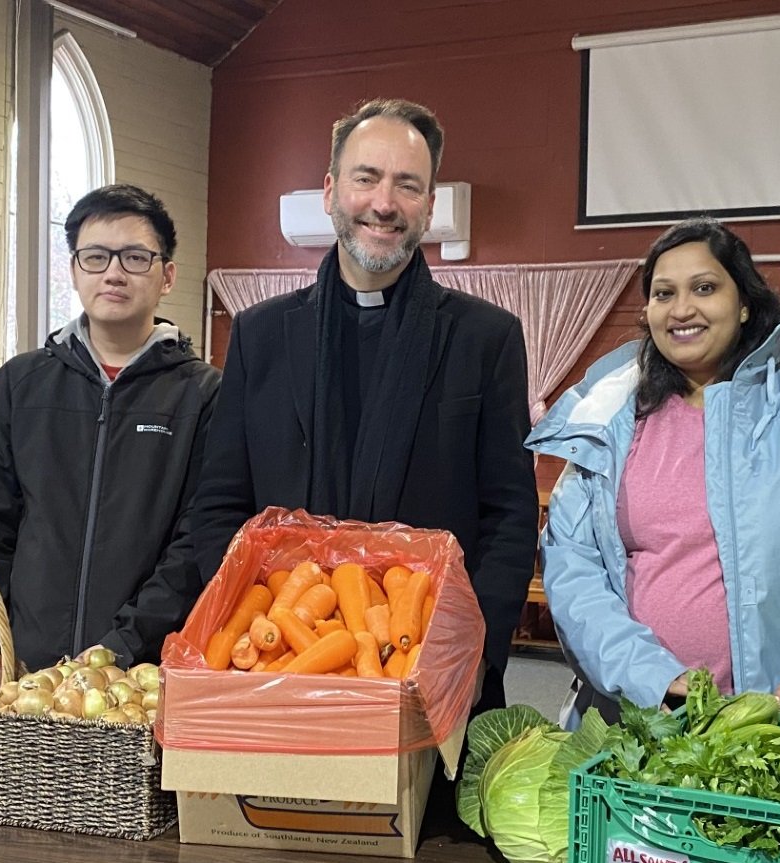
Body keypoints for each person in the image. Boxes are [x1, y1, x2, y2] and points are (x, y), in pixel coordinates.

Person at [0, 184, 218, 863]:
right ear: (74, 270)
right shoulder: (21, 385)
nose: (113, 272)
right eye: (96, 256)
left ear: (166, 274)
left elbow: (200, 543)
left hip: (147, 675)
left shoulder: (204, 394)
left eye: (134, 256)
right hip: (38, 676)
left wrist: (125, 646)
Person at [181, 98, 539, 714]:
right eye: (366, 178)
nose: (384, 202)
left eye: (408, 185)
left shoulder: (485, 339)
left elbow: (508, 514)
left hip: (430, 667)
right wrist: (246, 622)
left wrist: (468, 654)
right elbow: (219, 501)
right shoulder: (261, 335)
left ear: (429, 205)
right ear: (330, 191)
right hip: (281, 658)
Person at [529, 219, 780, 725]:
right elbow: (574, 569)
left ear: (745, 302)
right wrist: (650, 676)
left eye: (704, 288)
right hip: (638, 717)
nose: (682, 309)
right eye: (663, 293)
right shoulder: (608, 418)